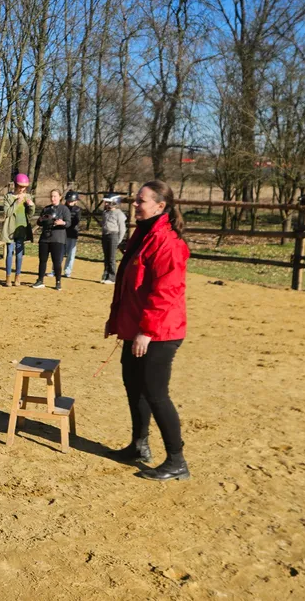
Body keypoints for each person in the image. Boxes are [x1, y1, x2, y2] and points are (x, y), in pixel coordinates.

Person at [104, 180, 191, 481]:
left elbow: (166, 291)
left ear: (160, 206)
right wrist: (118, 321)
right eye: (136, 200)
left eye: (141, 200)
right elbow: (130, 285)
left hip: (160, 332)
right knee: (133, 385)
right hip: (137, 327)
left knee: (156, 393)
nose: (135, 205)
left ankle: (177, 460)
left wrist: (147, 331)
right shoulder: (143, 235)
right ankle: (139, 446)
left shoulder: (167, 242)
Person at [31, 189, 70, 290]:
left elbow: (68, 223)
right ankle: (40, 280)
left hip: (57, 238)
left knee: (56, 261)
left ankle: (58, 282)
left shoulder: (64, 209)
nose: (53, 198)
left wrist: (63, 223)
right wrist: (41, 220)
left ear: (60, 197)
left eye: (55, 196)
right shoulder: (46, 209)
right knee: (42, 260)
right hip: (45, 238)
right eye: (51, 196)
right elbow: (40, 222)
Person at [0, 174, 35, 287]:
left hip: (22, 229)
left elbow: (30, 215)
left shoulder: (28, 196)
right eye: (20, 186)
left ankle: (18, 277)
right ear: (15, 185)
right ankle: (8, 277)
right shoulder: (8, 197)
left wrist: (31, 206)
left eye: (24, 187)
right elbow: (8, 213)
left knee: (19, 255)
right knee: (10, 252)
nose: (22, 189)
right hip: (10, 229)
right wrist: (16, 202)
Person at [100, 193, 127, 284]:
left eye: (108, 202)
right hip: (105, 235)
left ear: (114, 202)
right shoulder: (105, 213)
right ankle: (105, 274)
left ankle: (112, 277)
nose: (106, 204)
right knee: (106, 256)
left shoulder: (119, 214)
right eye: (106, 202)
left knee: (111, 257)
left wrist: (118, 240)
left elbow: (122, 229)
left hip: (113, 236)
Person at [62, 190, 82, 278]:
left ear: (76, 201)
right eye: (68, 201)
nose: (70, 203)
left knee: (71, 253)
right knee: (59, 253)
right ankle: (55, 270)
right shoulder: (62, 208)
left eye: (72, 201)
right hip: (62, 233)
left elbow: (76, 221)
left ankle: (67, 270)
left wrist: (67, 222)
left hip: (72, 233)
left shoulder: (77, 209)